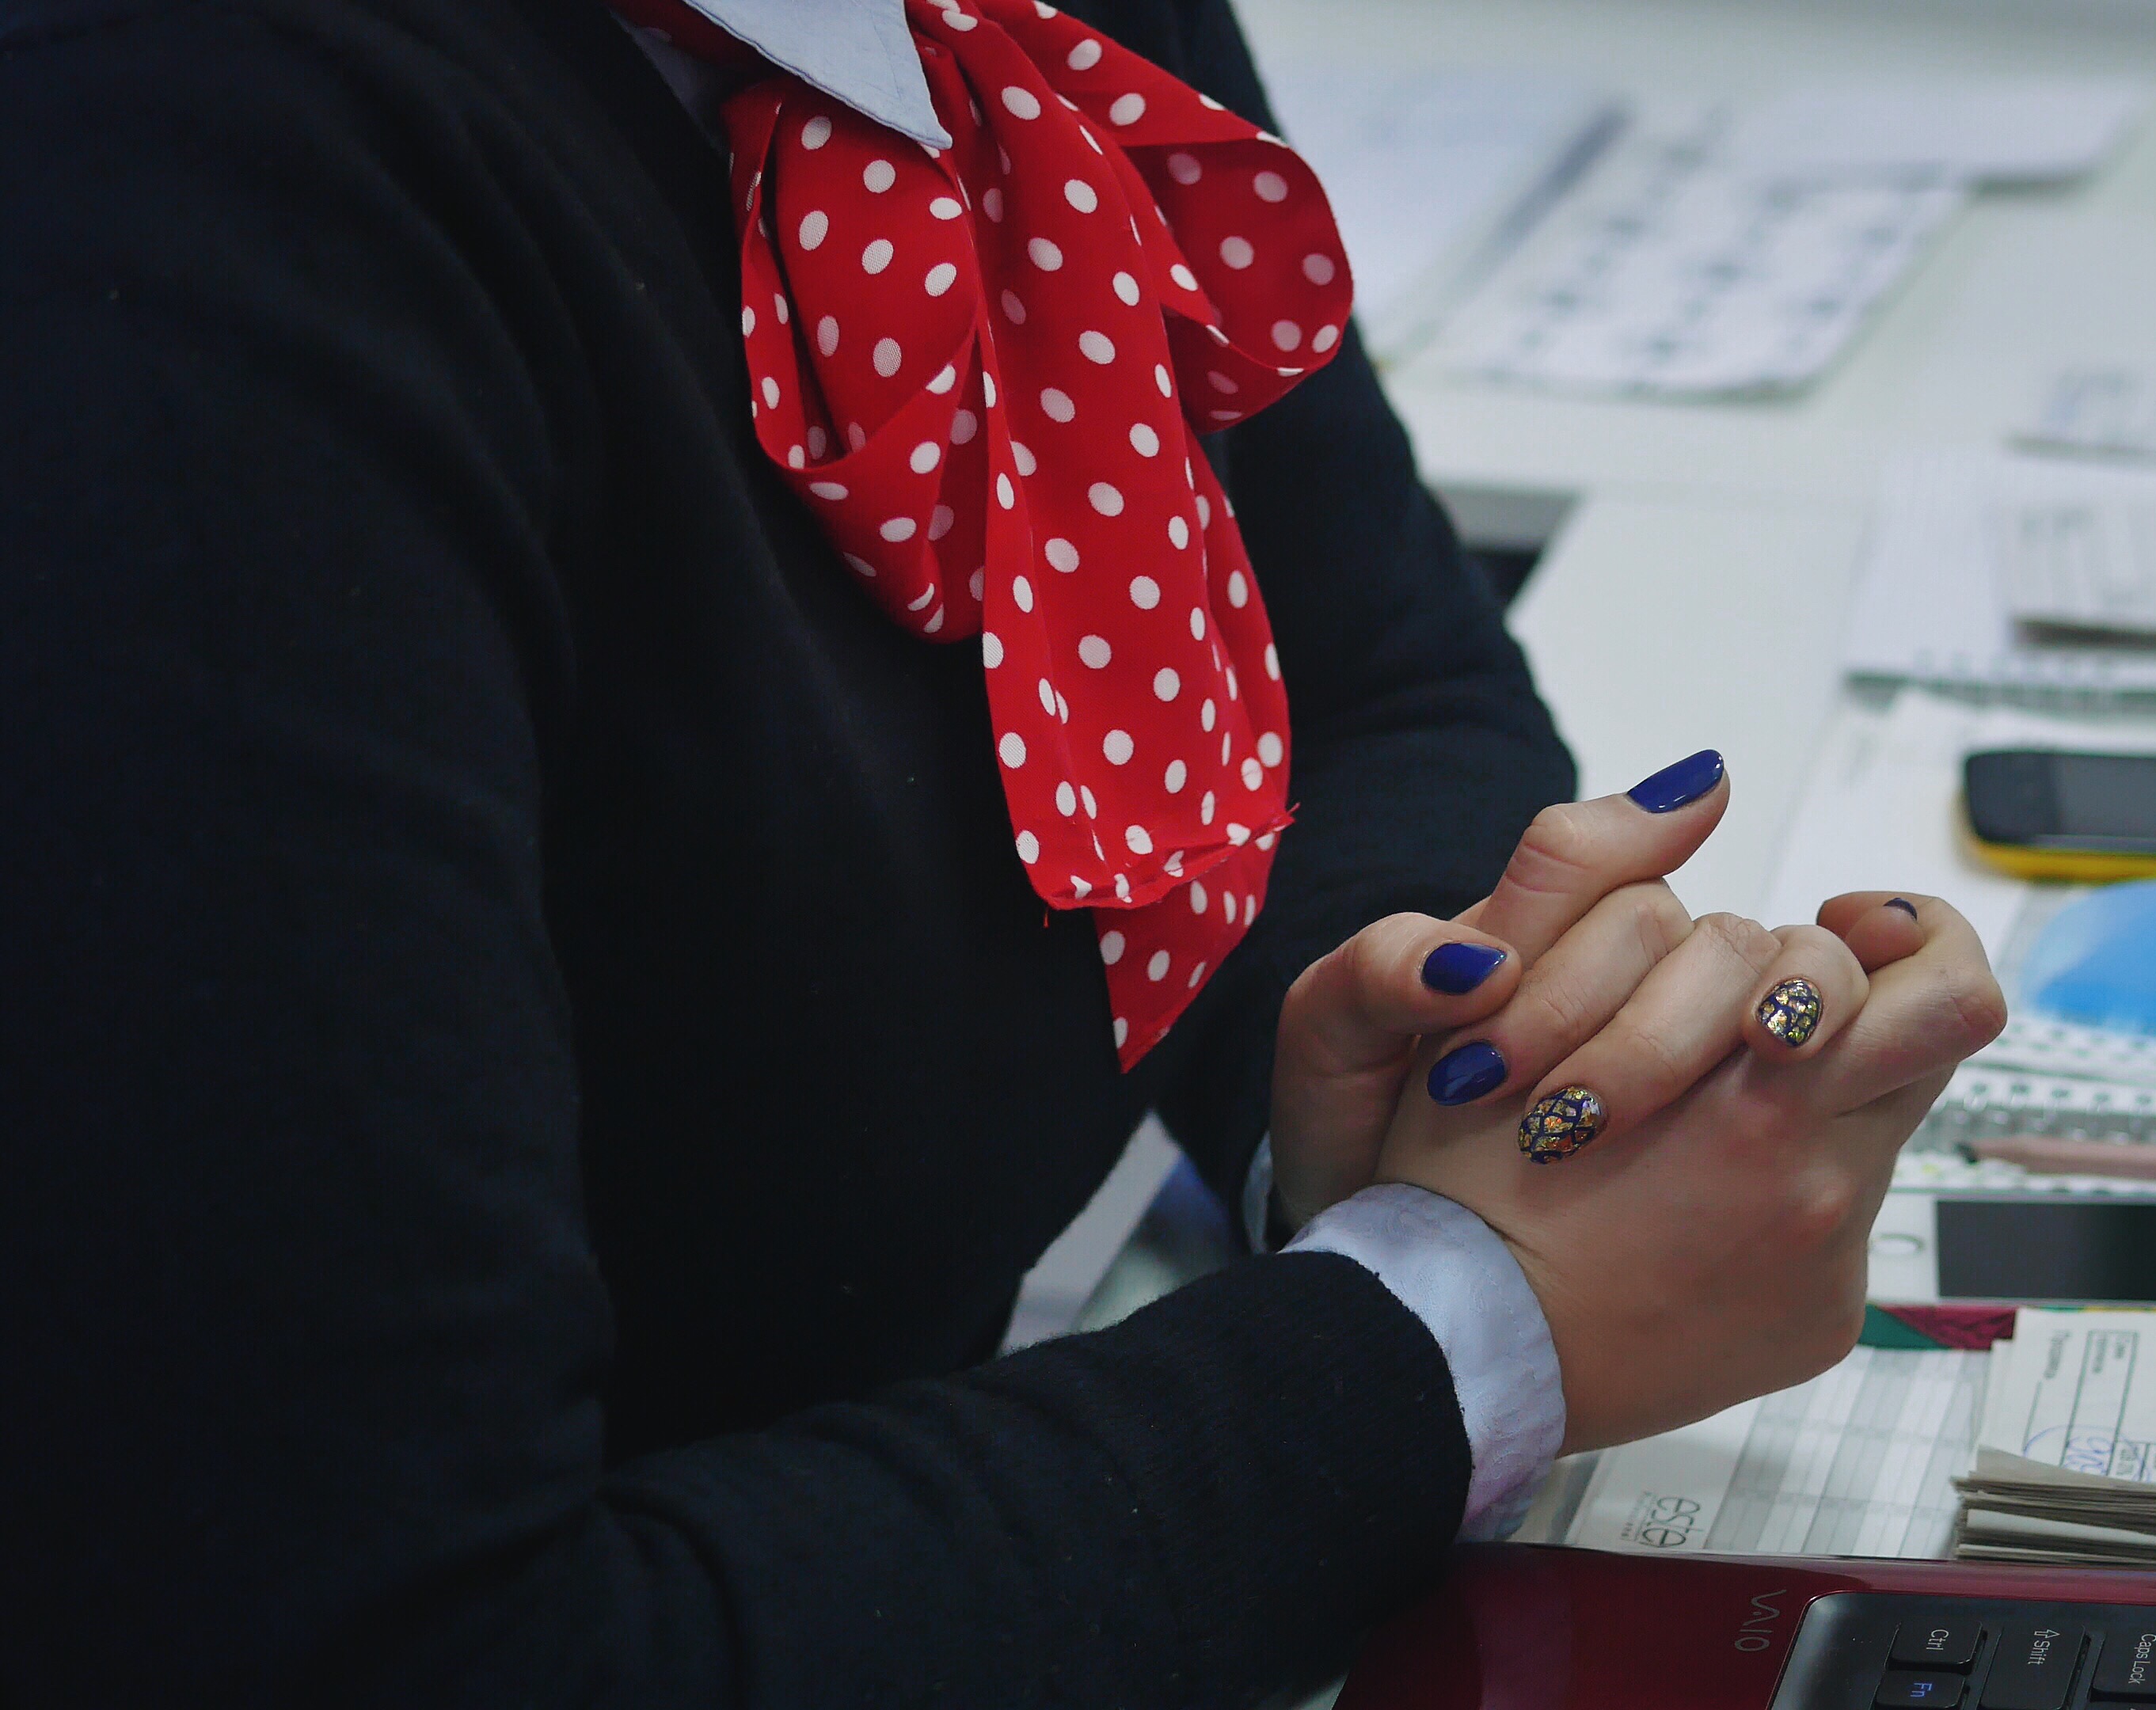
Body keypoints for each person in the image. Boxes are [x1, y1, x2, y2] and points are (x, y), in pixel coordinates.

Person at [0, 0, 2006, 1704]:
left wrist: (1450, 1061)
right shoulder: (167, 165)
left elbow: (1364, 686)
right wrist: (1458, 1327)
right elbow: (414, 1646)